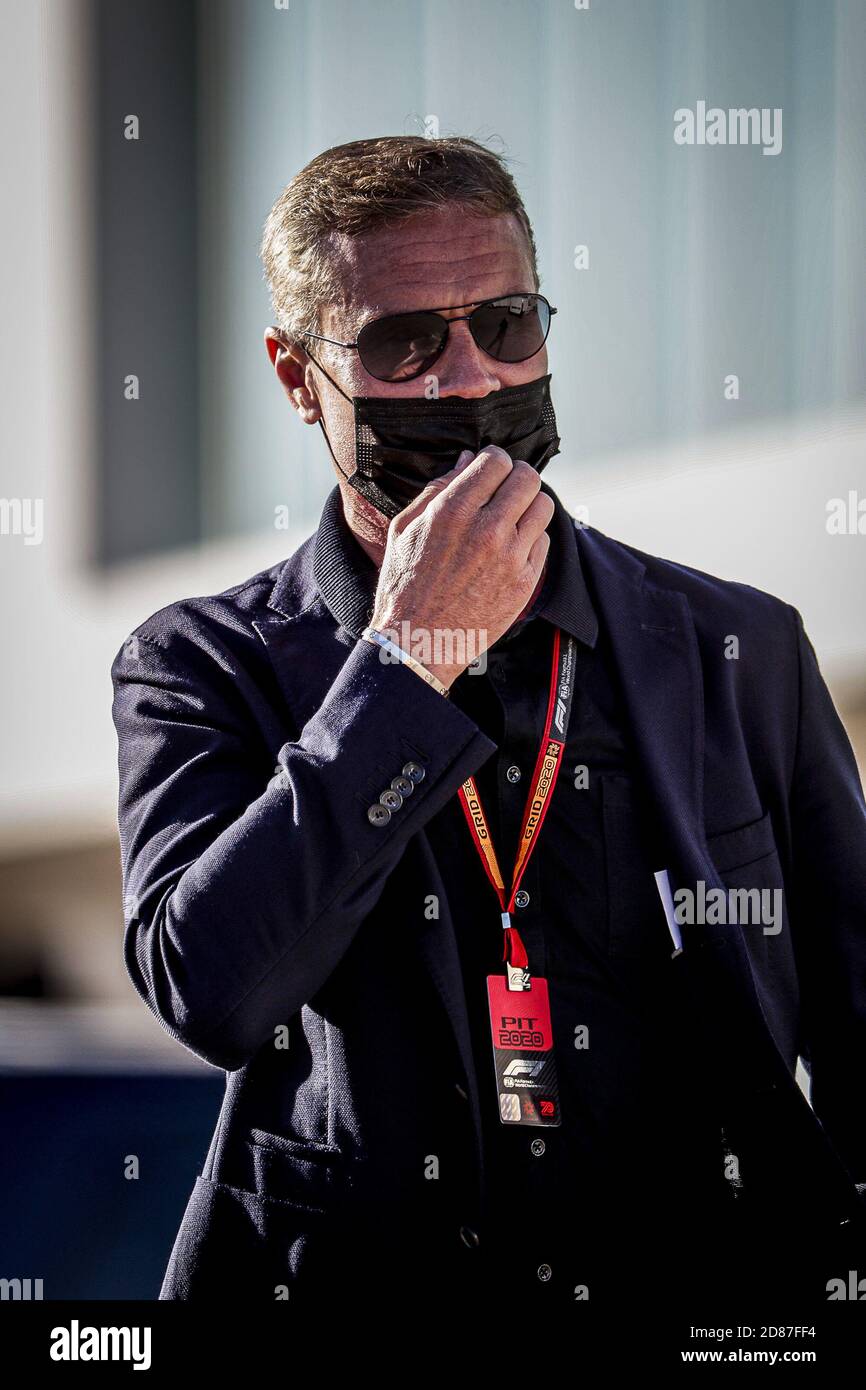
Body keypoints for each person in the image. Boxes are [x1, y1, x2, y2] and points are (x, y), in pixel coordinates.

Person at [111, 135, 866, 1325]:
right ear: (299, 377)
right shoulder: (200, 661)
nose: (467, 378)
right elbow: (208, 990)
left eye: (505, 323)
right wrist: (410, 663)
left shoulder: (739, 647)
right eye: (404, 342)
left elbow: (857, 1021)